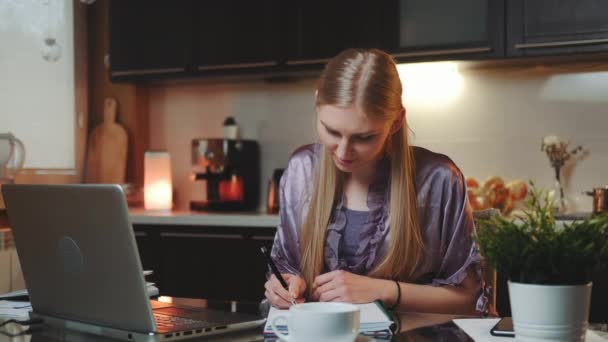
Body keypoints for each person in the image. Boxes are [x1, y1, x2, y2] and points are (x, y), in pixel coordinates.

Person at [264, 48, 486, 315]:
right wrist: (283, 285)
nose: (344, 152)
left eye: (363, 137)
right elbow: (286, 270)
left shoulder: (439, 180)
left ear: (396, 122)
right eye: (332, 131)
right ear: (317, 104)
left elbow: (468, 298)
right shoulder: (301, 170)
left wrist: (384, 291)